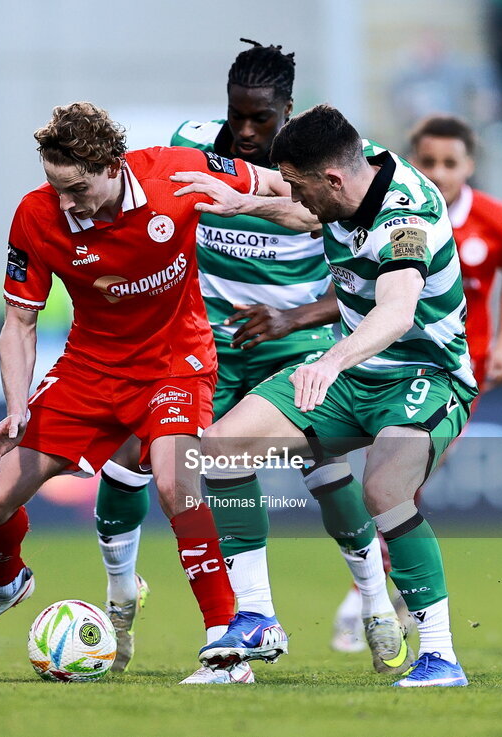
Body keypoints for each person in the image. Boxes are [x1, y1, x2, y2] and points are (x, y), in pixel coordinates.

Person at [0, 102, 312, 684]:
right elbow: (19, 322)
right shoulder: (36, 217)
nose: (65, 202)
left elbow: (287, 186)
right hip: (89, 369)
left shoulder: (178, 173)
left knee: (175, 483)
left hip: (173, 363)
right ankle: (6, 585)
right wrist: (15, 409)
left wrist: (292, 208)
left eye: (76, 188)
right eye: (56, 187)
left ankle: (226, 650)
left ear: (113, 166)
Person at [91, 40, 406, 682]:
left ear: (287, 111)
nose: (244, 131)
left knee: (322, 463)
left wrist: (289, 311)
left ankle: (375, 603)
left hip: (293, 336)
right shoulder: (193, 141)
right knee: (134, 452)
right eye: (236, 115)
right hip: (203, 335)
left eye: (261, 119)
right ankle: (130, 599)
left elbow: (322, 236)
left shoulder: (328, 163)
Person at [183, 104, 477, 687]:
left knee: (385, 489)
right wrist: (244, 201)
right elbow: (300, 209)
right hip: (354, 371)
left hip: (426, 376)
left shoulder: (405, 220)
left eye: (301, 187)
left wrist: (331, 358)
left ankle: (441, 655)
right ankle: (257, 616)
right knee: (218, 449)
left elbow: (394, 313)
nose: (297, 197)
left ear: (332, 180)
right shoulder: (348, 167)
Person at [330, 115, 502, 647]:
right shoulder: (398, 212)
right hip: (379, 365)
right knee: (385, 483)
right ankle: (380, 595)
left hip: (451, 370)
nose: (439, 173)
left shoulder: (496, 219)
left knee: (398, 483)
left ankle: (372, 597)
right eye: (429, 161)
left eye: (451, 163)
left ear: (470, 165)